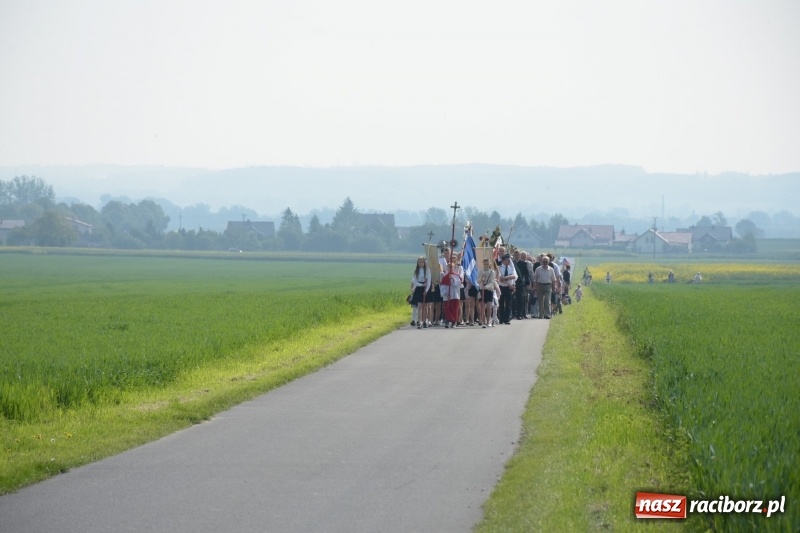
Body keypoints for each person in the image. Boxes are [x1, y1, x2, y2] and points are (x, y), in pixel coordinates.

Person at [441, 259, 464, 328]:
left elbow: (458, 285)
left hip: (455, 295)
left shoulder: (457, 276)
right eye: (449, 267)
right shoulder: (445, 277)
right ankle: (447, 321)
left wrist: (452, 279)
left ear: (454, 268)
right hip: (447, 296)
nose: (450, 269)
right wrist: (445, 294)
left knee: (455, 309)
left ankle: (454, 322)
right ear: (447, 268)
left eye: (451, 267)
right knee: (447, 309)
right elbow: (442, 287)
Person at [409, 256, 431, 329]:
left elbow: (428, 282)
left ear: (424, 263)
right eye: (419, 262)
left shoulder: (427, 271)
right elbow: (415, 281)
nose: (421, 264)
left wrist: (426, 290)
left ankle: (425, 321)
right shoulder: (416, 271)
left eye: (422, 262)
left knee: (425, 307)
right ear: (418, 263)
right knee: (419, 306)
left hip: (425, 289)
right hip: (419, 288)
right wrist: (421, 284)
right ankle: (420, 321)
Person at [497, 253, 517, 324]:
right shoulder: (499, 268)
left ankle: (507, 319)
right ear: (503, 260)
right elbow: (500, 279)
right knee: (501, 303)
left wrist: (506, 277)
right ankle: (501, 319)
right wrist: (508, 279)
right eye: (506, 260)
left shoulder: (511, 268)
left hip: (509, 288)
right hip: (502, 287)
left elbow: (514, 276)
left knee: (508, 304)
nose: (508, 262)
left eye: (508, 260)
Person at [478, 257, 496, 328]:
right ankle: (483, 321)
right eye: (485, 264)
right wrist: (481, 278)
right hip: (482, 290)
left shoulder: (492, 272)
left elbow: (492, 282)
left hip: (489, 290)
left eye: (487, 264)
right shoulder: (480, 271)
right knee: (482, 307)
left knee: (489, 306)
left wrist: (486, 287)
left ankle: (488, 321)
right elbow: (477, 281)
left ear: (489, 264)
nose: (486, 265)